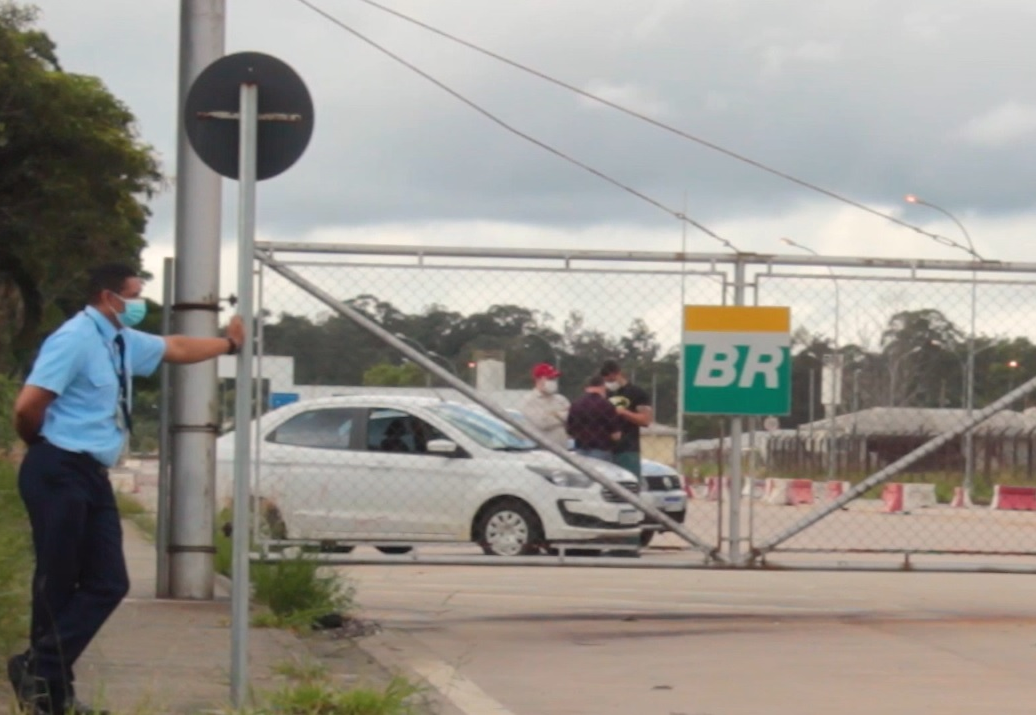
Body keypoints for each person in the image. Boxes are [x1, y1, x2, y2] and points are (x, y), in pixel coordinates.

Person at [8, 263, 246, 715]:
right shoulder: (75, 338)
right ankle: (51, 697)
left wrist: (229, 343)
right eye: (133, 294)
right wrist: (39, 443)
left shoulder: (118, 341)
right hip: (58, 467)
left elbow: (175, 346)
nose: (138, 303)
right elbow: (28, 405)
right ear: (107, 296)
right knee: (56, 582)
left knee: (107, 581)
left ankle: (38, 668)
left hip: (90, 473)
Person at [600, 359, 653, 478]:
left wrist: (624, 413)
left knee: (629, 483)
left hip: (628, 449)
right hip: (605, 449)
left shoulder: (637, 393)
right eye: (606, 381)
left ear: (618, 374)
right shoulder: (605, 394)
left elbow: (646, 420)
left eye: (611, 380)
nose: (609, 384)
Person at [566, 375, 622, 461]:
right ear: (602, 386)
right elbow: (616, 435)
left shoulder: (576, 404)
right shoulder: (607, 405)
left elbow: (570, 432)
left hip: (581, 449)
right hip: (602, 449)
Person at [518, 362, 570, 448]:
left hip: (563, 449)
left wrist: (555, 415)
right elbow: (543, 423)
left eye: (554, 379)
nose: (553, 381)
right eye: (550, 378)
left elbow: (573, 418)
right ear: (538, 380)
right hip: (542, 451)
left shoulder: (561, 399)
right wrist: (564, 415)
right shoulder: (529, 400)